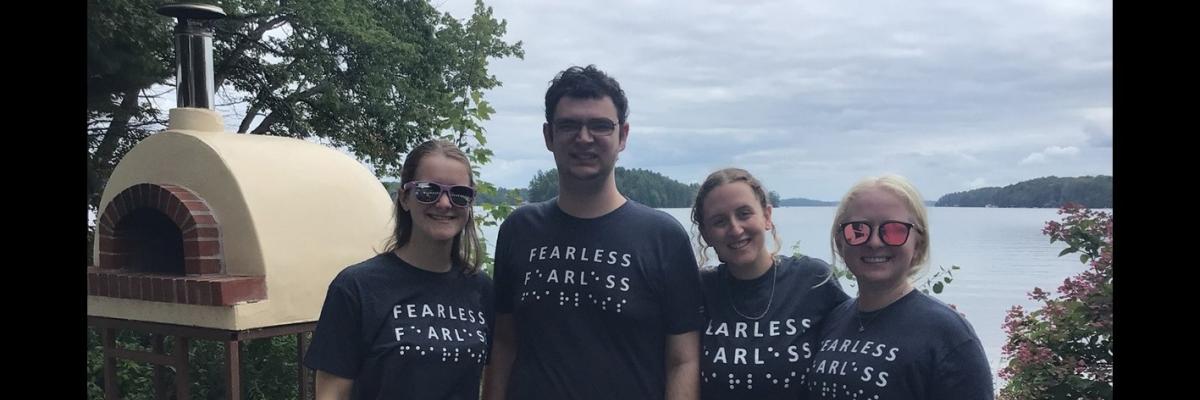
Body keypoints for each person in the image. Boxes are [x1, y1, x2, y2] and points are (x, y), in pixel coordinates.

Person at [483, 65, 705, 400]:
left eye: (600, 126)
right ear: (548, 136)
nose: (584, 138)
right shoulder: (519, 229)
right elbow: (503, 343)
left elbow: (683, 359)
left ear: (623, 136)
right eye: (569, 125)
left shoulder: (662, 237)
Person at [305, 139, 492, 400]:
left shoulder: (481, 288)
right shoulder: (356, 287)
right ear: (404, 197)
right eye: (429, 190)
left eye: (459, 194)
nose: (445, 203)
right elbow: (332, 392)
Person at [806, 174, 993, 399]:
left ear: (918, 243)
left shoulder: (948, 335)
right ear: (840, 242)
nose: (875, 242)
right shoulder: (834, 320)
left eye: (894, 230)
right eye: (858, 230)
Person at [691, 167, 848, 399]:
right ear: (706, 234)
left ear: (766, 216)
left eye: (744, 214)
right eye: (720, 221)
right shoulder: (699, 290)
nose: (735, 229)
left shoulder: (813, 281)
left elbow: (856, 348)